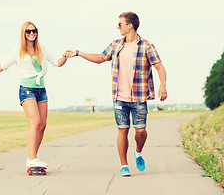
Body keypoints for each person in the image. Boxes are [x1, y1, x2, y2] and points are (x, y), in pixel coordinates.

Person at [66, 12, 167, 176]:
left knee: (140, 131)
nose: (117, 27)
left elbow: (159, 67)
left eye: (120, 24)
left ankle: (138, 152)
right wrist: (78, 53)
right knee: (123, 130)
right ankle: (124, 165)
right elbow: (100, 58)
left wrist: (163, 84)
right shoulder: (116, 45)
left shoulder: (146, 46)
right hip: (119, 97)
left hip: (139, 97)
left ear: (130, 26)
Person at [0, 21, 68, 170]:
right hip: (27, 89)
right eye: (28, 32)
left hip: (41, 90)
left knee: (42, 125)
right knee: (35, 122)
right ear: (23, 34)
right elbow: (1, 66)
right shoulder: (18, 51)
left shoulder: (42, 49)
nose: (31, 34)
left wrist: (65, 56)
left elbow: (57, 62)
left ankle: (33, 157)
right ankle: (32, 158)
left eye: (34, 31)